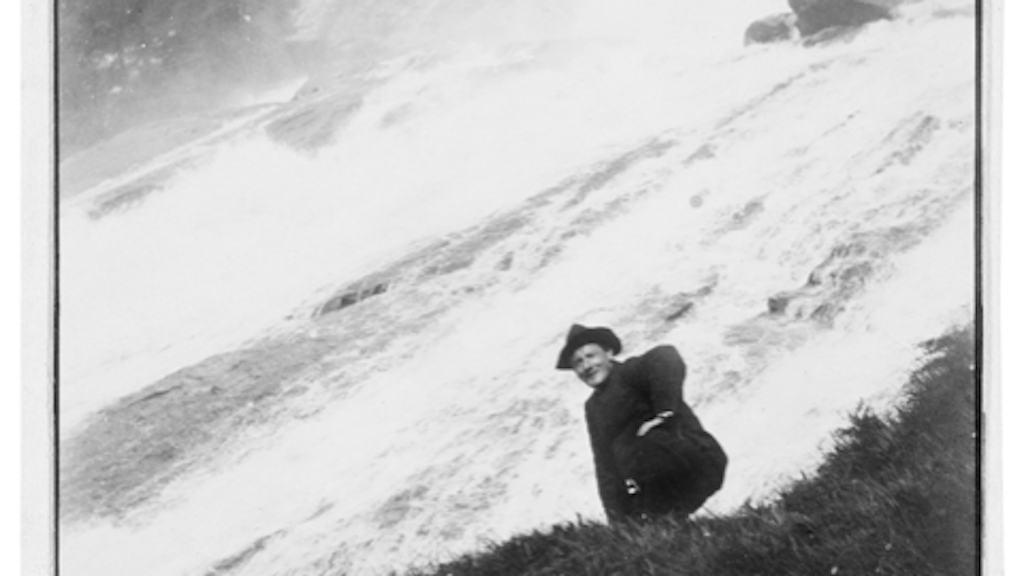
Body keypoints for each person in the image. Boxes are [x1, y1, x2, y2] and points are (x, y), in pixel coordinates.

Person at [556, 324, 727, 524]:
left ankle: (665, 520)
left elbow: (666, 356)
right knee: (642, 519)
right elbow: (605, 465)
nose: (586, 366)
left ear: (609, 353)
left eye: (591, 356)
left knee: (645, 443)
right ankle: (664, 526)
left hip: (695, 459)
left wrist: (664, 415)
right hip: (655, 476)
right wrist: (617, 520)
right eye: (578, 362)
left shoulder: (630, 372)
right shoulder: (593, 407)